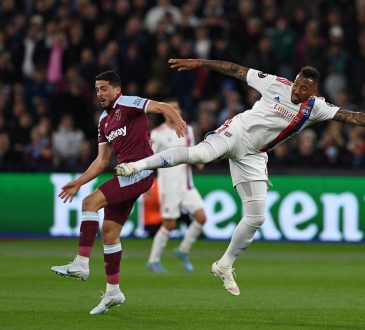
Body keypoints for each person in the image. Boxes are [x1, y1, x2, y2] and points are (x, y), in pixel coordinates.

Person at [115, 58, 365, 296]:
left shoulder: (316, 108)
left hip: (254, 155)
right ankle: (137, 166)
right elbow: (235, 70)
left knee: (257, 217)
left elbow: (351, 117)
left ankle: (224, 265)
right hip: (236, 132)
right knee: (199, 155)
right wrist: (201, 63)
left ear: (313, 91)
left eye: (303, 89)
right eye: (297, 84)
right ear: (295, 79)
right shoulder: (276, 83)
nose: (297, 92)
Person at [51, 70, 186, 315]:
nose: (100, 94)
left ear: (116, 89)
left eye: (104, 89)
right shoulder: (104, 120)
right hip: (124, 174)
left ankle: (81, 263)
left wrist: (177, 119)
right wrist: (79, 181)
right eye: (97, 90)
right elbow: (102, 160)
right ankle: (113, 292)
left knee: (90, 203)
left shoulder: (128, 103)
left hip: (140, 172)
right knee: (110, 232)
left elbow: (163, 106)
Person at [147, 97, 207, 273]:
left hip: (186, 185)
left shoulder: (187, 130)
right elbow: (150, 160)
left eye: (176, 107)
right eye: (170, 108)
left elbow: (193, 151)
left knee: (201, 218)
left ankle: (182, 250)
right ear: (164, 111)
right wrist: (148, 185)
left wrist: (200, 160)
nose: (174, 110)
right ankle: (153, 260)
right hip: (168, 186)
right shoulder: (157, 134)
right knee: (170, 225)